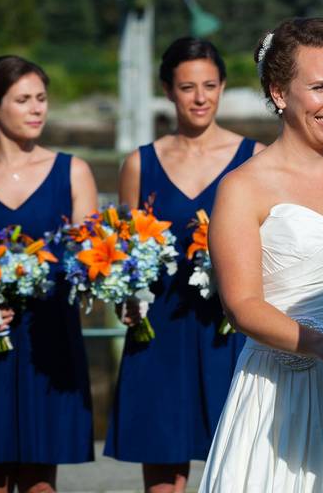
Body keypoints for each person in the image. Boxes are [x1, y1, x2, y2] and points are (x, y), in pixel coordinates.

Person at [198, 18, 323, 492]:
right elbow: (241, 306)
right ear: (279, 92)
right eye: (320, 87)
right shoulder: (242, 187)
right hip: (282, 396)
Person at [104, 38, 263, 493]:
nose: (200, 97)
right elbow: (126, 258)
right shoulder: (139, 163)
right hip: (160, 333)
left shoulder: (252, 158)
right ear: (168, 91)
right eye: (187, 86)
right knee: (162, 478)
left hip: (227, 333)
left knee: (236, 470)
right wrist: (125, 305)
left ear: (223, 88)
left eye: (210, 85)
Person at [0, 55, 99, 493]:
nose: (37, 109)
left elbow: (87, 264)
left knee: (40, 481)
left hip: (48, 340)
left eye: (41, 98)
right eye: (23, 99)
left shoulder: (73, 171)